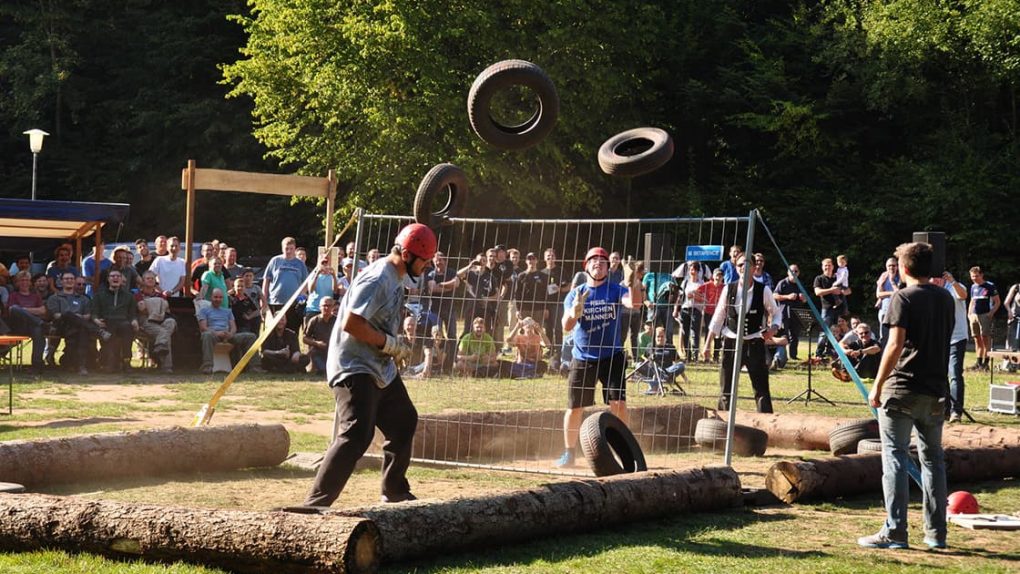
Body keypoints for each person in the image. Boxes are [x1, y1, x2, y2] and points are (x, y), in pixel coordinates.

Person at [303, 223, 436, 507]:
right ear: (407, 255)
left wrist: (393, 345)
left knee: (403, 421)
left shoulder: (397, 276)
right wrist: (389, 344)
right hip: (354, 366)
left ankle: (395, 492)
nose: (427, 267)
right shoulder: (378, 278)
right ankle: (314, 505)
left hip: (378, 367)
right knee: (356, 434)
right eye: (424, 261)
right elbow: (352, 323)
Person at [859, 241, 953, 550]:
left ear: (904, 268)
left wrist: (877, 385)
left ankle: (895, 530)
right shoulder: (946, 298)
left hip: (902, 389)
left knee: (895, 458)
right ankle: (937, 534)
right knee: (933, 461)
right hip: (936, 390)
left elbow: (895, 345)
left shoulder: (902, 298)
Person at [554, 247, 642, 468]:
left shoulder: (615, 289)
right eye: (594, 261)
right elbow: (566, 326)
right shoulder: (576, 293)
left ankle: (625, 450)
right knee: (575, 407)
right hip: (583, 357)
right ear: (587, 266)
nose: (599, 264)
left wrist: (634, 282)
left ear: (608, 268)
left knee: (618, 404)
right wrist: (575, 311)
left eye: (603, 262)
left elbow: (635, 304)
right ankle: (569, 453)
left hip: (612, 355)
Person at [704, 253, 782, 413]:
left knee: (761, 390)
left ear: (754, 268)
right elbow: (719, 316)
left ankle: (766, 427)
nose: (743, 268)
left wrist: (773, 329)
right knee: (726, 389)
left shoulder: (764, 290)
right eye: (740, 265)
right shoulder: (729, 288)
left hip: (754, 342)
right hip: (731, 343)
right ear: (736, 267)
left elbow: (776, 313)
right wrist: (707, 344)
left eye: (747, 265)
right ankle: (723, 427)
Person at [46, 271, 99, 375]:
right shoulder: (55, 297)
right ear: (61, 282)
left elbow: (87, 316)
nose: (69, 281)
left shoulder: (83, 299)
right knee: (69, 315)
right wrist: (74, 316)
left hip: (79, 327)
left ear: (74, 282)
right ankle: (97, 331)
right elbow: (56, 316)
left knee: (80, 330)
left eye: (71, 279)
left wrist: (78, 318)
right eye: (66, 279)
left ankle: (76, 364)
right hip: (60, 326)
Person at [197, 288, 258, 374]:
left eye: (220, 297)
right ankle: (208, 367)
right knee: (206, 335)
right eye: (215, 297)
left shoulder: (227, 311)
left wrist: (230, 334)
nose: (218, 299)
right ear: (211, 297)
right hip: (213, 335)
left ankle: (255, 367)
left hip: (228, 335)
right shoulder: (204, 311)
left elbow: (233, 327)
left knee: (251, 336)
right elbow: (203, 327)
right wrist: (217, 333)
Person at [91, 269, 139, 372]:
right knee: (110, 330)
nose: (115, 278)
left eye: (118, 276)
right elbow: (94, 312)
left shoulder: (129, 296)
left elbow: (132, 314)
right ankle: (111, 362)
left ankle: (126, 362)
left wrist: (134, 320)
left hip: (123, 321)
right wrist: (96, 320)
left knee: (127, 329)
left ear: (122, 280)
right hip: (106, 322)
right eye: (112, 276)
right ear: (108, 279)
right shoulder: (99, 295)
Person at [263, 237, 310, 333]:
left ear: (294, 248)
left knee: (292, 331)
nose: (288, 251)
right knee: (273, 330)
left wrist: (300, 297)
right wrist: (264, 300)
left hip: (293, 304)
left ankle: (292, 348)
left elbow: (306, 283)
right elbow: (266, 280)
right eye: (286, 248)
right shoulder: (275, 261)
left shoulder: (300, 264)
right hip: (276, 302)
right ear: (282, 248)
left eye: (291, 248)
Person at [6, 271, 47, 373]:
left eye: (27, 280)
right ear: (18, 283)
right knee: (15, 308)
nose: (24, 282)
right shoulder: (13, 295)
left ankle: (36, 365)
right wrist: (32, 311)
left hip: (32, 327)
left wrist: (23, 310)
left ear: (30, 283)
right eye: (22, 280)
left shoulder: (35, 296)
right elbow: (11, 310)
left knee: (38, 331)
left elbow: (42, 310)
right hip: (17, 326)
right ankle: (41, 323)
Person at [135, 271, 175, 373]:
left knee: (171, 322)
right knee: (164, 334)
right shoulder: (138, 295)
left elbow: (166, 310)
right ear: (143, 281)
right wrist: (156, 306)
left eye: (152, 278)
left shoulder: (160, 295)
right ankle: (167, 367)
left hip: (160, 320)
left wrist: (151, 306)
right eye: (148, 278)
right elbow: (141, 309)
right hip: (145, 321)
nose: (150, 280)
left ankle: (159, 347)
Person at [943, 271, 969, 422]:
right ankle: (944, 410)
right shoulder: (929, 289)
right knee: (940, 374)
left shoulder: (955, 287)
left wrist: (952, 281)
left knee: (954, 374)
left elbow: (963, 295)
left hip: (957, 337)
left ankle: (956, 411)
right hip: (940, 339)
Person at [813, 257, 851, 357]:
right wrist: (832, 290)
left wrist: (842, 291)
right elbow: (817, 292)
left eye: (829, 265)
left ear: (833, 266)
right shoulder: (819, 278)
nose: (827, 267)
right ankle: (819, 353)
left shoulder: (838, 277)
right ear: (822, 267)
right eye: (825, 265)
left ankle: (830, 351)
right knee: (824, 331)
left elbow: (848, 291)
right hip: (826, 308)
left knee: (836, 332)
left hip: (839, 309)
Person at [967, 266, 1000, 371]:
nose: (974, 278)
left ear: (981, 275)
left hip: (985, 315)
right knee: (977, 339)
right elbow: (972, 301)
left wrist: (991, 313)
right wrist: (969, 313)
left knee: (985, 338)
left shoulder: (989, 286)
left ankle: (986, 363)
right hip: (974, 316)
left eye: (976, 276)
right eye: (972, 276)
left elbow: (997, 301)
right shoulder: (973, 287)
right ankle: (978, 362)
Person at [773, 264, 805, 362]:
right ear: (788, 272)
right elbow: (774, 295)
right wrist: (787, 297)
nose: (794, 273)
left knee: (795, 335)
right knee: (783, 334)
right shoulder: (782, 283)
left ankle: (793, 356)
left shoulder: (800, 284)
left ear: (798, 273)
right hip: (784, 313)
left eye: (796, 271)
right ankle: (780, 357)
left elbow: (806, 299)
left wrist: (803, 298)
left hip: (796, 312)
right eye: (792, 271)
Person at [303, 296, 337, 374]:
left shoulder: (337, 321)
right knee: (323, 370)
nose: (326, 308)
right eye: (324, 305)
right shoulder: (314, 321)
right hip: (318, 351)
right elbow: (304, 338)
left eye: (329, 305)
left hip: (333, 352)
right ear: (319, 307)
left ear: (333, 307)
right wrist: (316, 343)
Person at [875, 257, 900, 347]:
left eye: (893, 265)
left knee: (896, 337)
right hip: (884, 310)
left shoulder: (901, 277)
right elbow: (878, 294)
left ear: (897, 266)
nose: (891, 268)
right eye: (889, 266)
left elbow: (899, 293)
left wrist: (892, 281)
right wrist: (891, 293)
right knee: (884, 337)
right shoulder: (883, 276)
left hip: (897, 310)